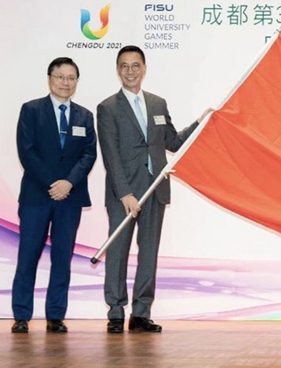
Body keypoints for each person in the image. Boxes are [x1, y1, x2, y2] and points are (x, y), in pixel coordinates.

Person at [97, 45, 209, 334]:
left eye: (136, 65)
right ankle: (116, 312)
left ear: (144, 69)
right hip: (123, 194)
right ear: (117, 70)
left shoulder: (158, 104)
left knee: (148, 254)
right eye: (124, 66)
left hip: (155, 190)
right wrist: (125, 193)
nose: (130, 71)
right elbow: (110, 154)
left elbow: (172, 142)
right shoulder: (107, 107)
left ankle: (141, 313)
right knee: (118, 253)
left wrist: (200, 123)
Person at [11, 57, 97, 334]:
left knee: (62, 257)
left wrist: (68, 183)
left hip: (69, 199)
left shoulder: (85, 116)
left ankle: (55, 316)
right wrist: (53, 183)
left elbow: (88, 154)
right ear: (50, 78)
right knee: (28, 256)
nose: (65, 83)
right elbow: (27, 151)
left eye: (71, 78)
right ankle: (22, 315)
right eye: (60, 77)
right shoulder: (32, 110)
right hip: (37, 196)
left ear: (76, 82)